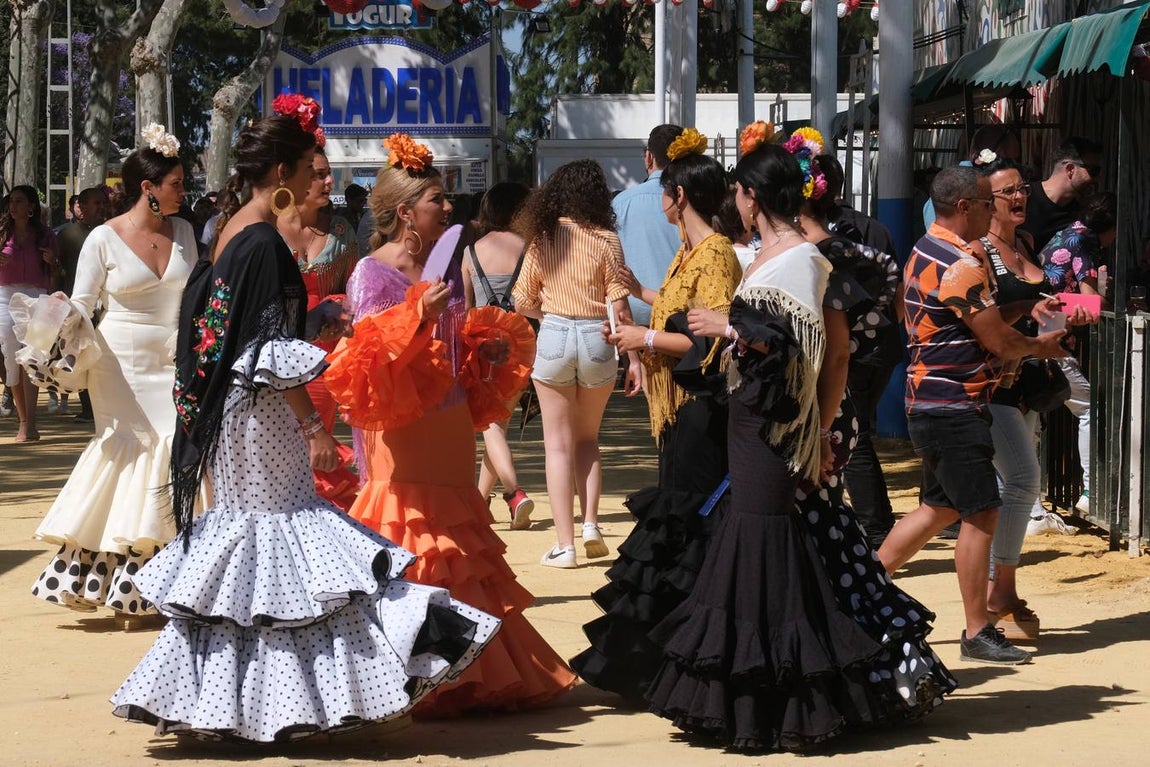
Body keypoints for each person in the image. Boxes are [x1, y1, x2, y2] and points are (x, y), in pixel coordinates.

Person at [111, 105, 497, 743]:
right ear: (283, 173)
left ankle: (255, 703)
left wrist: (313, 328)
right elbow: (261, 352)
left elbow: (241, 334)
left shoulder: (233, 230)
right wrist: (314, 428)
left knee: (260, 553)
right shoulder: (261, 240)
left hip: (239, 416)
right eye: (316, 173)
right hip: (262, 416)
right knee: (285, 542)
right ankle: (303, 691)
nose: (326, 185)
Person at [645, 131, 952, 751]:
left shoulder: (807, 259)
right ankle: (768, 695)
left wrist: (814, 421)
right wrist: (727, 334)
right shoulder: (764, 255)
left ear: (753, 196)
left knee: (767, 541)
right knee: (778, 542)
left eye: (738, 190)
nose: (735, 199)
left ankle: (786, 699)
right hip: (751, 418)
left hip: (779, 427)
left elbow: (824, 354)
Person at [326, 133, 576, 716]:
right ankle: (403, 674)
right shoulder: (370, 271)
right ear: (406, 212)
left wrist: (481, 350)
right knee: (410, 535)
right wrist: (418, 312)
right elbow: (368, 355)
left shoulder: (453, 261)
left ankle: (477, 669)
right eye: (438, 199)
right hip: (403, 428)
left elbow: (454, 342)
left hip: (448, 420)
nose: (448, 207)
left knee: (459, 544)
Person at [571, 129, 741, 700]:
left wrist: (642, 336)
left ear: (679, 197)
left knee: (688, 532)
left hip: (699, 411)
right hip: (675, 411)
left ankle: (679, 659)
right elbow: (672, 318)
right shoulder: (689, 253)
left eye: (664, 190)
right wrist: (631, 328)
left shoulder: (713, 252)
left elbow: (711, 341)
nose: (659, 198)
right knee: (681, 534)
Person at [878, 165, 1070, 666]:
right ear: (965, 207)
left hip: (931, 400)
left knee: (937, 508)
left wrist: (1025, 305)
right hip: (954, 404)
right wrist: (1040, 347)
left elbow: (973, 320)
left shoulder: (926, 248)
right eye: (988, 202)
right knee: (981, 511)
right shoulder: (961, 262)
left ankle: (865, 589)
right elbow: (995, 339)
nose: (993, 210)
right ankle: (977, 628)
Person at [29, 128, 202, 621]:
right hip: (120, 366)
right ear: (149, 187)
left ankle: (171, 580)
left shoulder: (186, 232)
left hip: (174, 359)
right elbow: (84, 303)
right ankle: (126, 581)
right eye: (175, 182)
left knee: (175, 451)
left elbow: (193, 296)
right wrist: (60, 315)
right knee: (134, 456)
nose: (182, 191)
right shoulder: (102, 238)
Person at [973, 155, 1091, 642]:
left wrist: (1074, 314)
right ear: (986, 202)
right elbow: (984, 317)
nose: (1020, 196)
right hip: (992, 381)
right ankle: (999, 591)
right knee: (1021, 479)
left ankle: (1000, 593)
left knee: (1009, 488)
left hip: (1029, 379)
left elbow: (1041, 309)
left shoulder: (1023, 243)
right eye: (1008, 191)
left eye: (1022, 187)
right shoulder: (979, 251)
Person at [512, 159, 633, 569]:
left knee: (557, 446)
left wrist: (548, 319)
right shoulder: (607, 240)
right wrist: (635, 358)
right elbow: (620, 305)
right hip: (599, 336)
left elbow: (521, 299)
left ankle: (565, 546)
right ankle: (592, 524)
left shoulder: (543, 238)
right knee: (588, 439)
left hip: (556, 336)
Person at [801, 149, 903, 549]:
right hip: (881, 346)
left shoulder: (825, 245)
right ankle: (874, 525)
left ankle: (876, 527)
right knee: (861, 434)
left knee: (851, 437)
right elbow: (897, 291)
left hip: (851, 353)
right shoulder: (875, 230)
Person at [1036, 191, 1116, 526]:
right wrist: (1105, 289)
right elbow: (1090, 305)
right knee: (1089, 411)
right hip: (1051, 340)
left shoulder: (1065, 234)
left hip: (1039, 336)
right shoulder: (1085, 244)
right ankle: (1089, 492)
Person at [460, 180, 536, 529]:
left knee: (490, 424)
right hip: (520, 340)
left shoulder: (471, 251)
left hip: (481, 343)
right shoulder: (530, 248)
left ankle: (512, 491)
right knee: (498, 422)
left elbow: (465, 306)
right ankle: (480, 502)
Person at [0, 184, 60, 442]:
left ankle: (30, 424)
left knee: (34, 359)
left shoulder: (46, 235)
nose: (13, 206)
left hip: (38, 298)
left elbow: (57, 274)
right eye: (11, 201)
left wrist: (52, 262)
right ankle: (22, 420)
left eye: (20, 201)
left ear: (32, 207)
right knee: (12, 359)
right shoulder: (2, 233)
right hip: (4, 296)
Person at [53, 185, 109, 420]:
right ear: (81, 207)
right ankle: (87, 407)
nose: (101, 207)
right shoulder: (67, 235)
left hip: (106, 304)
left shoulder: (111, 232)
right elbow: (58, 269)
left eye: (103, 202)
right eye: (96, 203)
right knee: (82, 352)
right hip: (77, 302)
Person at [1019, 136, 1103, 253]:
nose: (1098, 179)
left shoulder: (1079, 216)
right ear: (1070, 170)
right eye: (1093, 171)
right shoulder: (1023, 197)